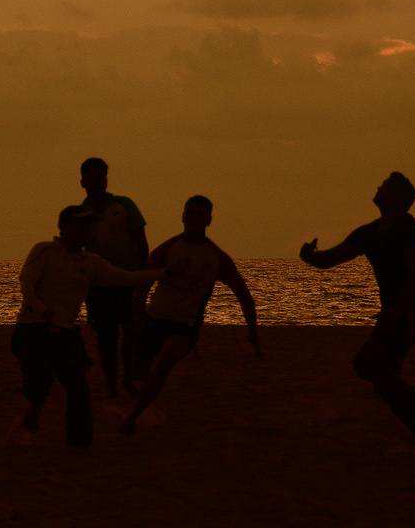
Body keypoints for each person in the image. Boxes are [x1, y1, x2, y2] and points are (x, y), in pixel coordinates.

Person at [299, 172, 415, 453]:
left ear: (401, 198)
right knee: (384, 382)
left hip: (413, 309)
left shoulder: (409, 228)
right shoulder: (368, 232)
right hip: (394, 312)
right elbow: (330, 259)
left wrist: (395, 315)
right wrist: (310, 257)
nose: (379, 187)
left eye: (387, 185)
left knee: (365, 365)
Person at [14, 206, 162, 447]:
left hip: (66, 332)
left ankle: (79, 443)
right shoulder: (44, 251)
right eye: (80, 224)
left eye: (89, 225)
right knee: (38, 384)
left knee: (79, 387)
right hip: (33, 328)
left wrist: (166, 273)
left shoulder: (90, 262)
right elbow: (27, 284)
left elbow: (126, 277)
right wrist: (42, 310)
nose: (86, 230)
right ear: (63, 227)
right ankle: (35, 405)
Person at [120, 195, 261, 435]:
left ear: (209, 220)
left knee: (167, 359)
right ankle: (148, 396)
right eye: (191, 212)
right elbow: (143, 284)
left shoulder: (217, 258)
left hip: (184, 324)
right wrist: (138, 312)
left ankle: (133, 416)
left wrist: (253, 332)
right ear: (183, 216)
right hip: (154, 317)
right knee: (138, 373)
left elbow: (243, 295)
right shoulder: (167, 249)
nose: (195, 217)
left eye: (200, 213)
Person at [77, 157, 149, 397]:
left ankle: (127, 380)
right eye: (92, 177)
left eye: (101, 177)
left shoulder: (124, 204)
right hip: (99, 284)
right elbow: (77, 251)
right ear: (82, 182)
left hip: (128, 279)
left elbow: (140, 241)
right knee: (106, 337)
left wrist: (142, 277)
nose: (98, 181)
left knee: (131, 332)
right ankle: (111, 388)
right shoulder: (80, 214)